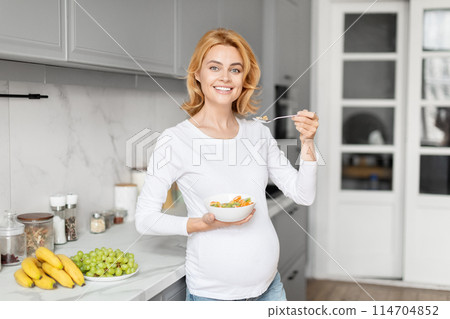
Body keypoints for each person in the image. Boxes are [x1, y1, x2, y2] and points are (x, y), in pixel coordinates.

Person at [135, 28, 319, 301]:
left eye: (235, 69)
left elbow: (303, 195)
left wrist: (307, 142)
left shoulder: (258, 132)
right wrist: (201, 224)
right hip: (214, 296)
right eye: (214, 67)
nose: (225, 77)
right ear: (197, 74)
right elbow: (145, 220)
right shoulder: (175, 140)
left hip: (270, 288)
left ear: (244, 78)